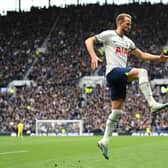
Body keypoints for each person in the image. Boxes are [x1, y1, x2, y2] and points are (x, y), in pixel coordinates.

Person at [85, 13, 168, 160]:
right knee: (142, 72)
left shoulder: (128, 42)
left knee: (117, 113)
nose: (130, 26)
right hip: (113, 72)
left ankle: (104, 141)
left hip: (120, 78)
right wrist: (93, 56)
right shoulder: (109, 35)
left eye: (130, 24)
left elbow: (141, 55)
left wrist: (159, 58)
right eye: (127, 23)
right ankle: (152, 104)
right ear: (120, 23)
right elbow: (89, 40)